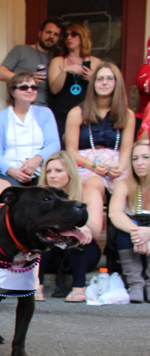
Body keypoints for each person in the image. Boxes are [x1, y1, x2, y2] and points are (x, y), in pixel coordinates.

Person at [35, 151, 102, 302]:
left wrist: (81, 222)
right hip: (48, 255)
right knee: (43, 236)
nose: (52, 175)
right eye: (48, 171)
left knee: (76, 237)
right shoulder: (37, 197)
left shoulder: (89, 193)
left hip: (82, 255)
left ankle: (79, 289)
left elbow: (97, 231)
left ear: (70, 173)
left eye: (58, 171)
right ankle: (36, 286)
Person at [65, 62, 134, 198]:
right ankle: (96, 219)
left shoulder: (127, 115)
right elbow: (70, 150)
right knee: (95, 184)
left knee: (128, 187)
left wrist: (121, 166)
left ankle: (121, 218)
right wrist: (92, 166)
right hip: (85, 165)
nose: (104, 83)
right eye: (100, 79)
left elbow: (127, 148)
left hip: (116, 165)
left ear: (117, 83)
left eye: (109, 79)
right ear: (93, 83)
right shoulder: (76, 113)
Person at [0, 71, 60, 186]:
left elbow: (53, 144)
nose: (30, 90)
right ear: (12, 92)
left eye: (34, 87)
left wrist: (37, 159)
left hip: (40, 172)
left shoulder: (45, 113)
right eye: (24, 87)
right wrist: (11, 171)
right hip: (9, 174)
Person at [109, 142, 150, 303]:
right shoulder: (124, 184)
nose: (139, 162)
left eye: (146, 157)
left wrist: (148, 232)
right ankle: (136, 284)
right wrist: (139, 232)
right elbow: (114, 213)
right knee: (124, 226)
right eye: (135, 158)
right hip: (133, 237)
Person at [48, 22, 102, 140]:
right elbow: (54, 89)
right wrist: (65, 71)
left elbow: (105, 90)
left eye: (73, 34)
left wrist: (94, 79)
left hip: (86, 114)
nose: (69, 38)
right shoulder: (58, 61)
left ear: (83, 36)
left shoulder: (96, 62)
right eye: (66, 35)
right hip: (61, 114)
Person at [0, 19, 63, 108]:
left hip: (46, 110)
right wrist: (28, 78)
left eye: (56, 34)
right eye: (48, 32)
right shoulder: (21, 50)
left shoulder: (57, 59)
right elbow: (1, 74)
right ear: (40, 33)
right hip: (22, 108)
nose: (51, 36)